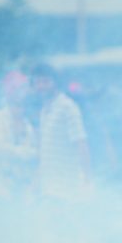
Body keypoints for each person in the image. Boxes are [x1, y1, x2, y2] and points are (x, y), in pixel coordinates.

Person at [31, 63, 90, 200]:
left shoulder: (67, 107)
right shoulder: (45, 110)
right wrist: (36, 182)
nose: (41, 86)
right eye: (37, 82)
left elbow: (81, 143)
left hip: (66, 188)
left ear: (55, 82)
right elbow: (44, 152)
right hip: (48, 187)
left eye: (45, 82)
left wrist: (87, 180)